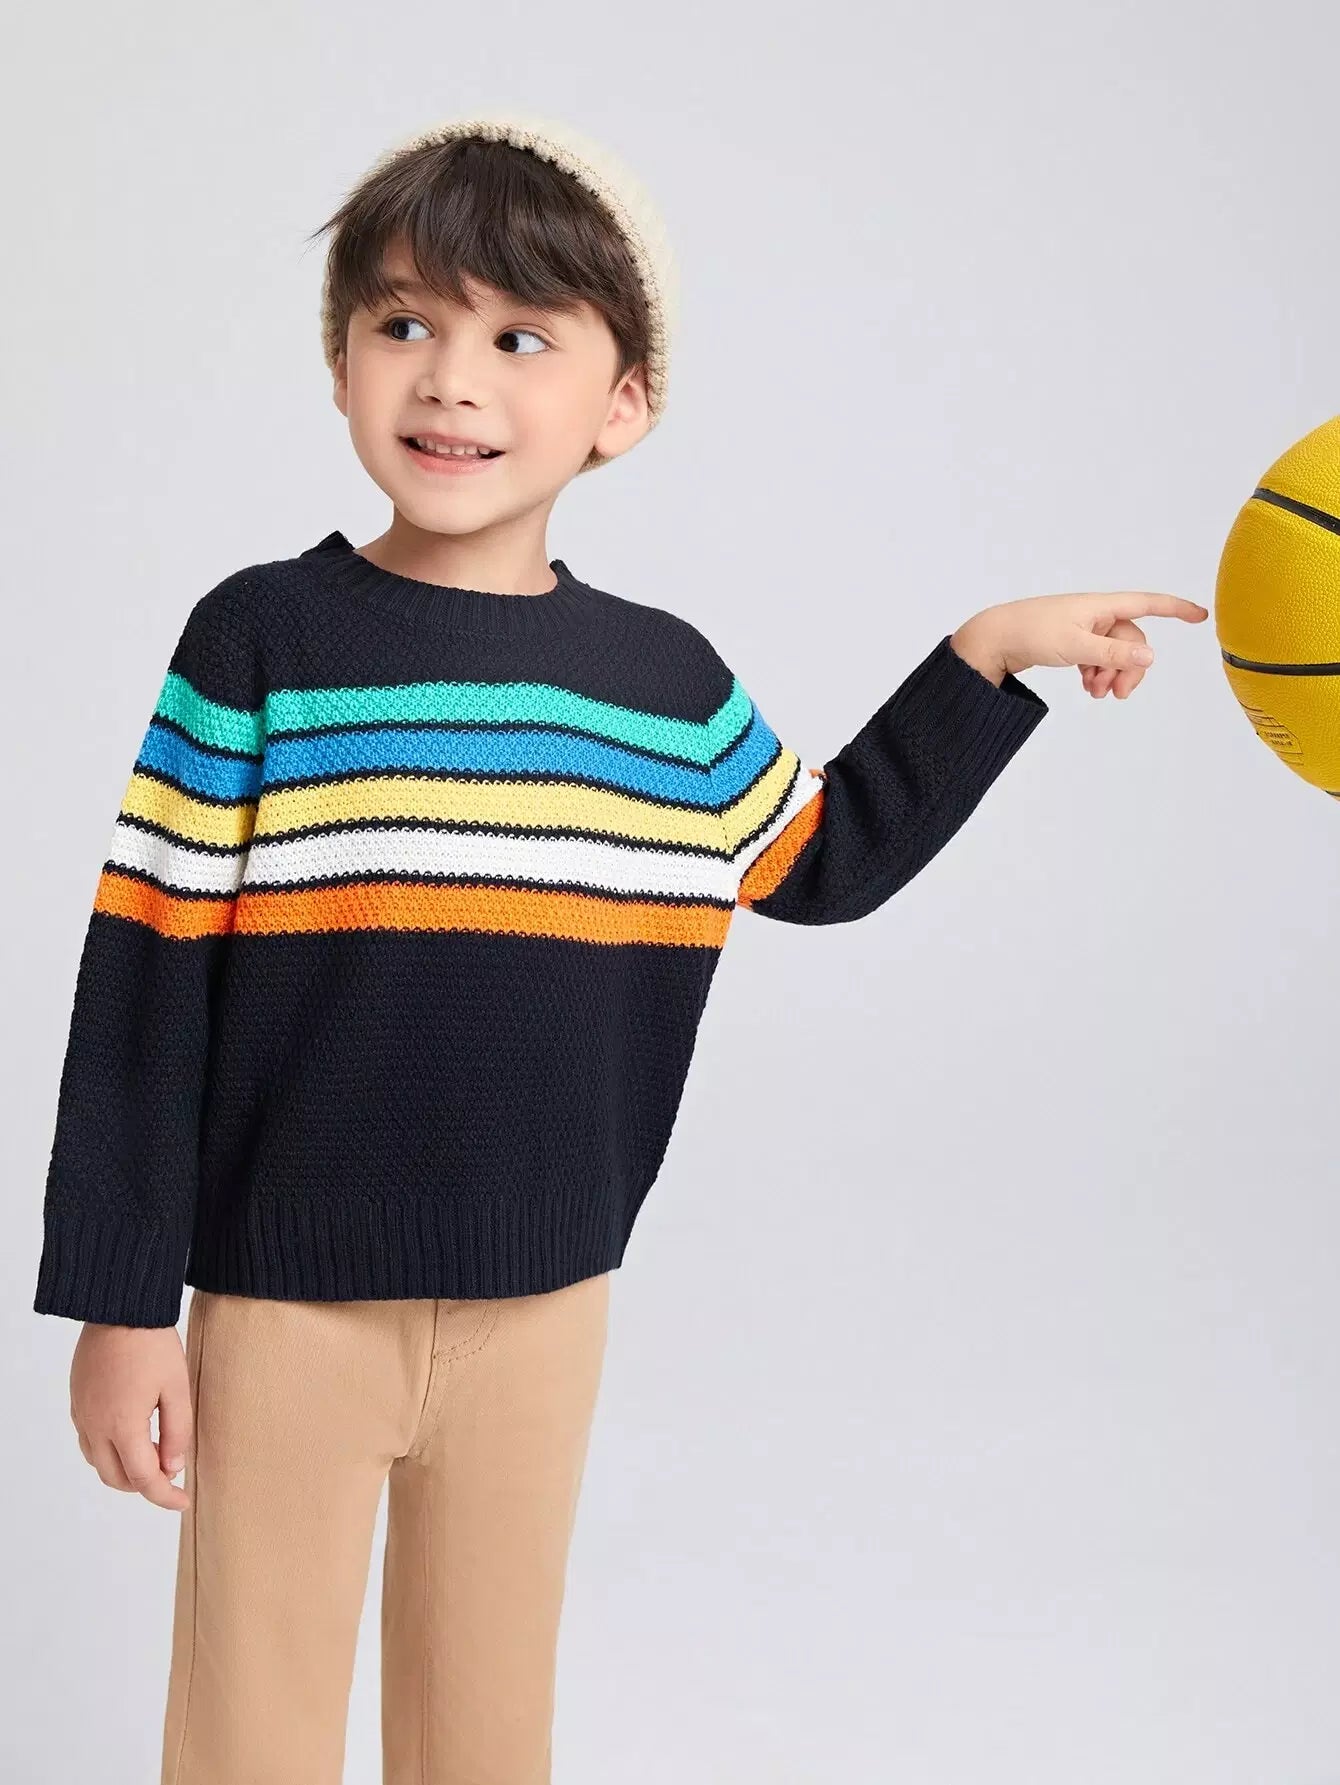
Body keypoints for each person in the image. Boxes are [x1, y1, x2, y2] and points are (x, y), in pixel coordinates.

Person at [32, 110, 1208, 1785]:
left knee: (488, 1725)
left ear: (623, 404)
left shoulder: (662, 686)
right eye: (404, 323)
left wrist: (987, 658)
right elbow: (146, 974)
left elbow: (821, 857)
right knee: (251, 1728)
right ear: (342, 359)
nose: (452, 380)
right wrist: (118, 1300)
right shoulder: (260, 640)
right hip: (286, 1306)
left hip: (547, 1305)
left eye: (521, 337)